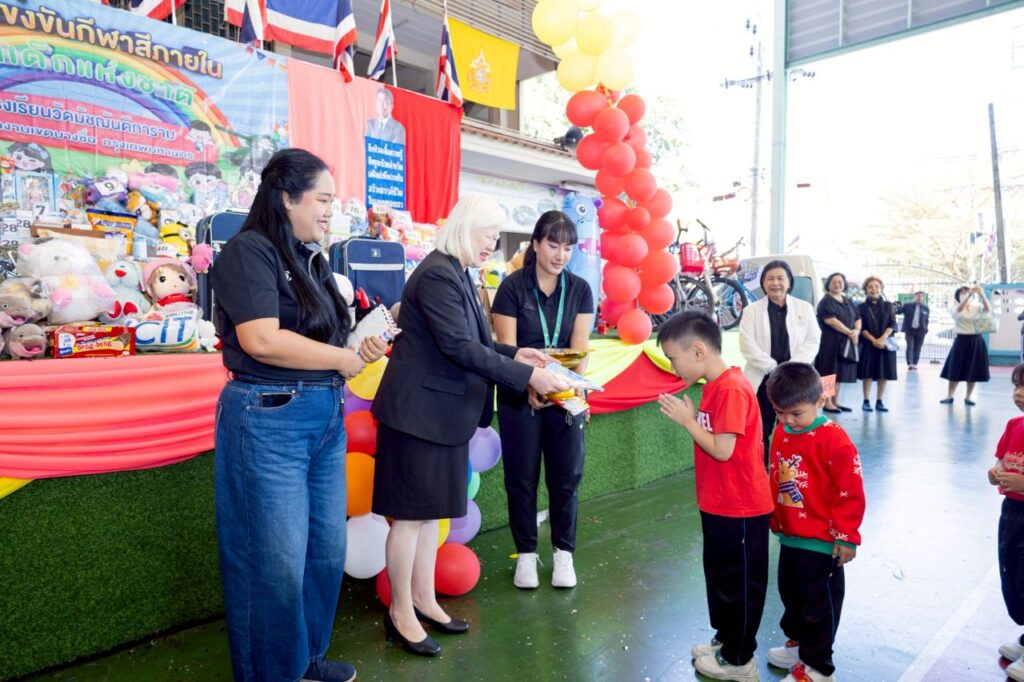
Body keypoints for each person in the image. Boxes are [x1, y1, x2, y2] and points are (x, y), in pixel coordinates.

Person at [210, 148, 388, 682]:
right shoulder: (249, 251)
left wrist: (357, 345)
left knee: (324, 553)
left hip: (323, 414)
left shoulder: (313, 258)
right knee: (273, 564)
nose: (332, 211)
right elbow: (261, 340)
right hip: (269, 417)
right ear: (287, 197)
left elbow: (323, 339)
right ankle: (272, 673)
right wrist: (340, 358)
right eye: (323, 200)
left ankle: (305, 660)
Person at [370, 193, 570, 657]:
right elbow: (458, 347)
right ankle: (400, 611)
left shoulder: (456, 271)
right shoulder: (438, 274)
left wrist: (516, 354)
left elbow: (472, 341)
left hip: (438, 417)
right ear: (465, 228)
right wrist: (528, 375)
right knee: (410, 519)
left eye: (497, 238)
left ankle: (423, 600)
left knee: (427, 517)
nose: (492, 246)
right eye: (488, 236)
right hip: (417, 417)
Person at [657, 310, 774, 682]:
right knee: (722, 578)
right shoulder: (714, 386)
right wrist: (693, 419)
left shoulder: (732, 388)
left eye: (673, 358)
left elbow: (723, 450)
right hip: (719, 502)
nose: (673, 367)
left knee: (740, 584)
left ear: (697, 351)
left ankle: (740, 660)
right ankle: (727, 641)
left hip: (741, 506)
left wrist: (688, 422)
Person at [491, 211, 595, 590]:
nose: (560, 255)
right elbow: (507, 349)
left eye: (568, 247)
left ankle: (564, 553)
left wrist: (569, 389)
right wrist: (529, 386)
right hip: (520, 394)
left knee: (566, 478)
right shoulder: (511, 288)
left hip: (564, 396)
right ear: (535, 244)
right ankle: (526, 555)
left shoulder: (580, 289)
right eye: (553, 245)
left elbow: (579, 349)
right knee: (521, 479)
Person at [765, 362, 865, 682]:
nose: (787, 420)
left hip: (822, 541)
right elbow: (776, 476)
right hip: (790, 535)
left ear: (820, 400)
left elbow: (850, 489)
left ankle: (819, 668)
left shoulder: (833, 438)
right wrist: (774, 517)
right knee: (791, 595)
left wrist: (846, 536)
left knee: (817, 605)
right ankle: (799, 645)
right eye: (780, 412)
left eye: (796, 413)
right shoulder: (782, 431)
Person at [739, 259, 821, 465]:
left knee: (796, 426)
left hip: (796, 380)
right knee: (761, 428)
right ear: (763, 283)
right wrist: (774, 368)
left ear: (789, 282)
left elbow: (813, 340)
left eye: (780, 278)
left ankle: (795, 469)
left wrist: (791, 367)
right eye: (770, 278)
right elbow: (747, 345)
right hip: (763, 380)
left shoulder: (804, 308)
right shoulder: (751, 311)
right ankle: (762, 471)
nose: (775, 283)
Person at [988, 363, 1024, 682]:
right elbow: (1003, 457)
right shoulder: (1014, 425)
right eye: (1016, 386)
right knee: (1011, 573)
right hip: (1012, 513)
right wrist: (996, 471)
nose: (1019, 393)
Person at [813, 272, 861, 414]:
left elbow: (858, 318)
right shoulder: (825, 302)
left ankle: (835, 401)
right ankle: (827, 402)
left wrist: (857, 331)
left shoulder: (848, 301)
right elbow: (831, 321)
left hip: (845, 343)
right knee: (829, 372)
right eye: (834, 282)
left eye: (840, 282)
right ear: (828, 284)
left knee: (839, 372)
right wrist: (850, 332)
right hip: (830, 343)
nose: (837, 284)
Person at [941, 285, 992, 405]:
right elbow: (958, 311)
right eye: (962, 292)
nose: (965, 294)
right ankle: (950, 396)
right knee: (954, 369)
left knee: (973, 370)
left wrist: (982, 294)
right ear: (958, 295)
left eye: (967, 292)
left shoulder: (976, 306)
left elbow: (988, 310)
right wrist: (968, 296)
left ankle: (969, 397)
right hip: (961, 340)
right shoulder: (954, 307)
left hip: (976, 340)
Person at [857, 276, 897, 413]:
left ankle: (879, 401)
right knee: (867, 373)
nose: (874, 289)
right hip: (868, 344)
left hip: (885, 344)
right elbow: (861, 327)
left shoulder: (888, 305)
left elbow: (892, 323)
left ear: (881, 289)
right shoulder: (861, 307)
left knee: (883, 373)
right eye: (870, 287)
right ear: (865, 290)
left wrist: (882, 339)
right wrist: (874, 340)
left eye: (877, 287)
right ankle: (866, 401)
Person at [901, 291, 930, 371]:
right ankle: (910, 363)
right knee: (910, 346)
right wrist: (896, 306)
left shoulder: (926, 308)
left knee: (918, 347)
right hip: (909, 330)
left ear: (923, 298)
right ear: (914, 296)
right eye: (918, 296)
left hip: (921, 331)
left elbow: (927, 319)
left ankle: (915, 363)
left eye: (921, 296)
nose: (919, 297)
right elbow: (898, 311)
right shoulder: (907, 306)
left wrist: (926, 328)